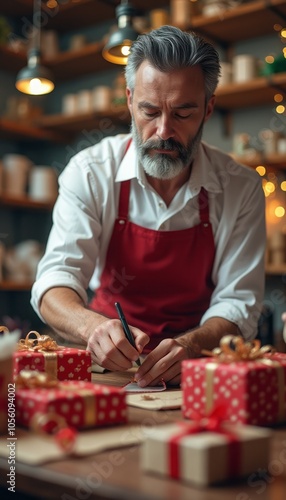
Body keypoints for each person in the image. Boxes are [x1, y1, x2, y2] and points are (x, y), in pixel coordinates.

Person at [31, 26, 266, 387]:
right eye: (150, 111)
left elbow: (238, 303)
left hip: (198, 369)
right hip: (106, 368)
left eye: (183, 114)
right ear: (129, 100)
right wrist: (91, 327)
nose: (163, 132)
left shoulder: (241, 188)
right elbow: (54, 283)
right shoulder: (91, 173)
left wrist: (189, 346)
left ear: (208, 108)